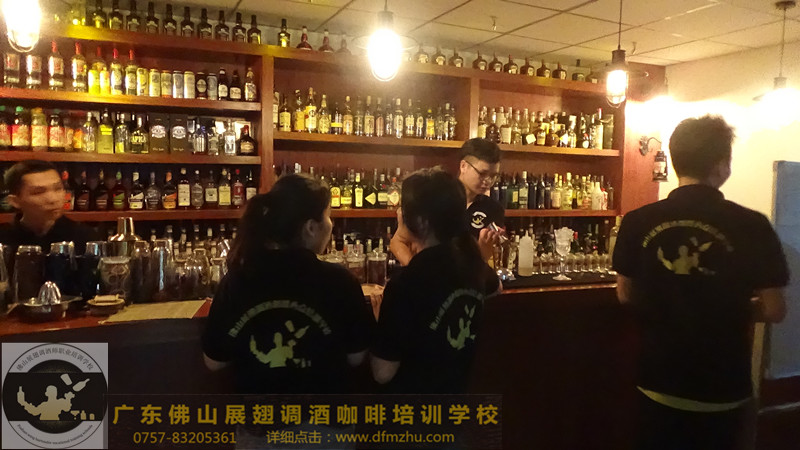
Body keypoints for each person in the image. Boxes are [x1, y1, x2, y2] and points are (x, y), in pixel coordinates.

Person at [612, 115, 789, 450]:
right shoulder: (752, 225)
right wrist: (726, 307)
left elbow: (625, 295)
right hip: (723, 386)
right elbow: (775, 309)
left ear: (676, 160)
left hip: (658, 380)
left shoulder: (637, 221)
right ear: (722, 165)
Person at [202, 173, 375, 394]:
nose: (331, 224)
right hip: (324, 413)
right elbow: (356, 357)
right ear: (310, 227)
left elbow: (214, 361)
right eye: (328, 216)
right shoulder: (340, 281)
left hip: (257, 414)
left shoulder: (237, 280)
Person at [371, 168, 500, 393]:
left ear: (420, 222)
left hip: (414, 409)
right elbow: (496, 288)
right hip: (457, 400)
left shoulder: (405, 283)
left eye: (403, 208)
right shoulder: (471, 264)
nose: (399, 213)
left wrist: (379, 320)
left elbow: (382, 373)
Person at [390, 138, 504, 265]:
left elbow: (481, 262)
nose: (488, 181)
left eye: (493, 176)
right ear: (463, 166)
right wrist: (418, 270)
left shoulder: (493, 209)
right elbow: (397, 242)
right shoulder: (436, 195)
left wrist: (483, 251)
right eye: (482, 173)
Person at [0, 160, 95, 255]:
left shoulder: (84, 237)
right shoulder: (4, 241)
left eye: (58, 188)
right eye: (38, 192)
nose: (52, 199)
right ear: (15, 201)